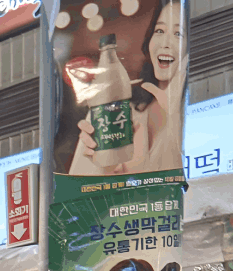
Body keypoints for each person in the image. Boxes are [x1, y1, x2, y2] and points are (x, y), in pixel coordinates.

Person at [70, 0, 187, 176]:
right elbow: (73, 196)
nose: (165, 43)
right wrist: (99, 166)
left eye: (178, 34)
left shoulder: (199, 111)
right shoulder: (118, 109)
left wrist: (174, 120)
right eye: (160, 31)